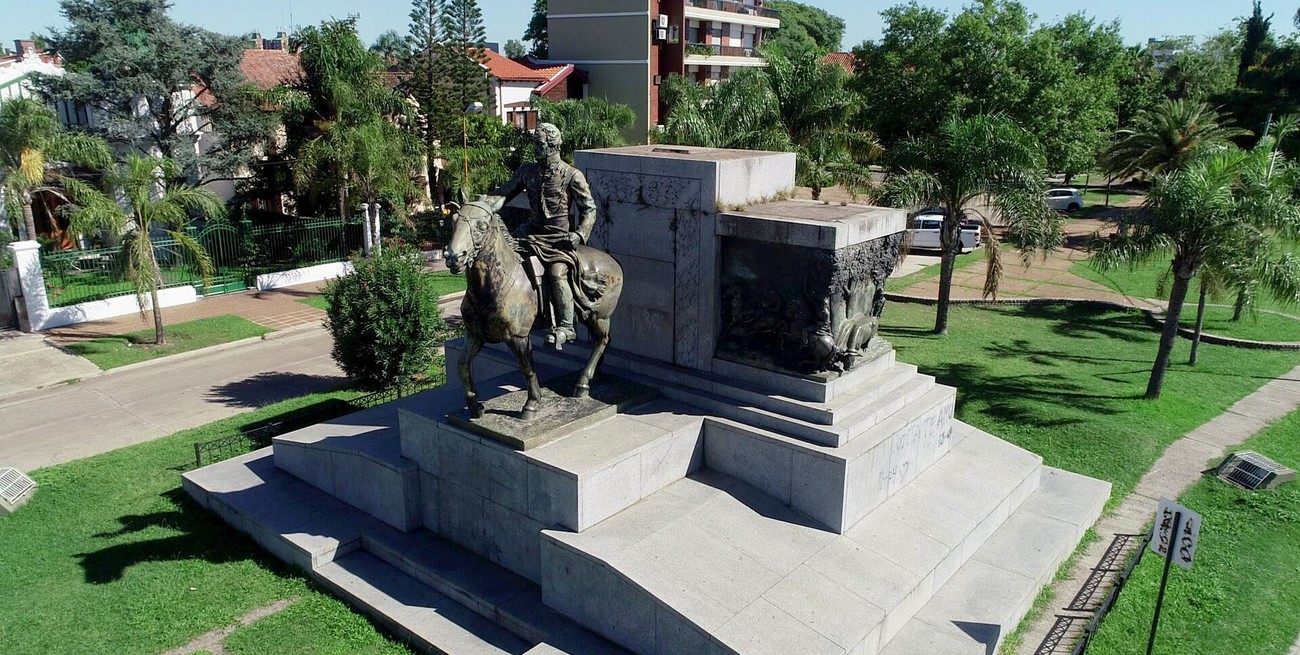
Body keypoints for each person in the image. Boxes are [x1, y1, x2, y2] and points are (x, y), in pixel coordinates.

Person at [489, 123, 597, 347]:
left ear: (553, 145)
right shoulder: (527, 171)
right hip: (530, 232)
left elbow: (589, 209)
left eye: (539, 144)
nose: (535, 149)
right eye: (535, 144)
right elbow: (503, 194)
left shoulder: (571, 175)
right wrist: (484, 206)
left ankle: (567, 325)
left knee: (557, 273)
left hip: (558, 239)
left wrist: (579, 233)